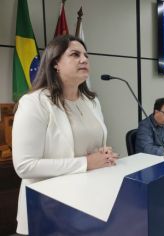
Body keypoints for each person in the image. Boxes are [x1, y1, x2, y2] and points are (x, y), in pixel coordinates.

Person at [12, 35, 118, 235]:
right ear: (55, 64)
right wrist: (87, 162)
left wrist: (102, 153)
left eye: (86, 55)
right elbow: (24, 166)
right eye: (75, 54)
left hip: (88, 201)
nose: (84, 59)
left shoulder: (91, 101)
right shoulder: (34, 103)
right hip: (48, 207)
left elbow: (90, 146)